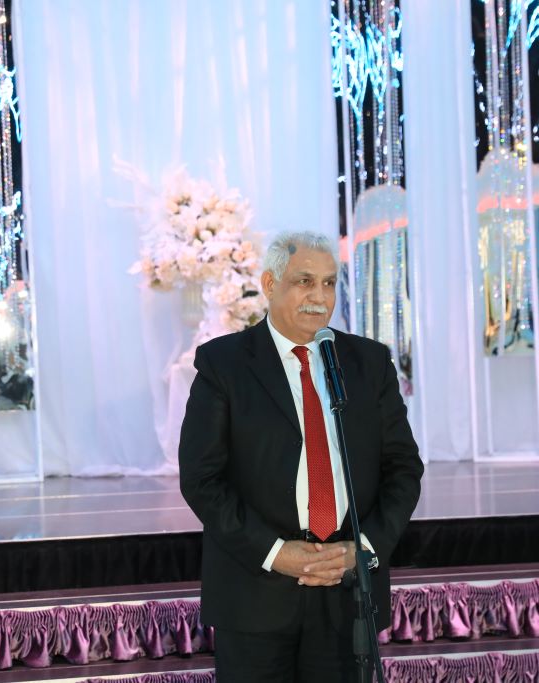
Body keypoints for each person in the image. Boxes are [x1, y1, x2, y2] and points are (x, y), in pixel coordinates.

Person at [179, 231, 423, 682]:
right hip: (255, 594)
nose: (319, 297)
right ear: (270, 284)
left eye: (329, 283)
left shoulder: (368, 362)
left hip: (348, 592)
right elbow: (202, 479)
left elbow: (404, 469)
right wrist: (276, 553)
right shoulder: (223, 364)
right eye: (305, 281)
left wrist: (363, 549)